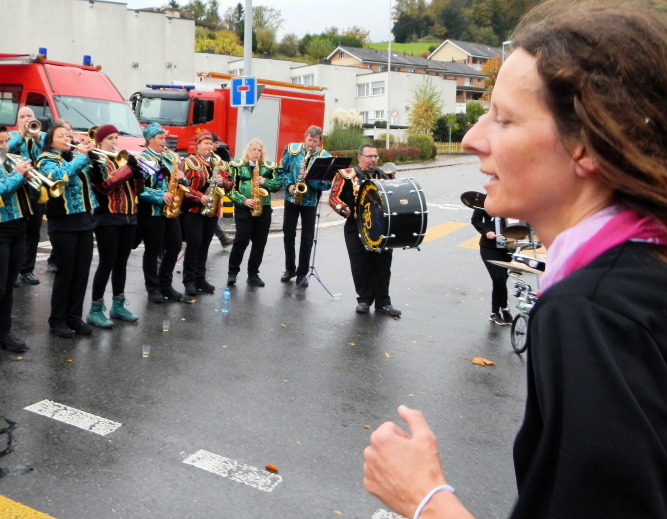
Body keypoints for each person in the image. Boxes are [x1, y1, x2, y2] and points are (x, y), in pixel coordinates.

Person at [363, 1, 667, 518]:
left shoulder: (590, 312)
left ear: (587, 144)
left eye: (503, 119)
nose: (471, 138)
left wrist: (424, 500)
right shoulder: (643, 274)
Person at [35, 123, 97, 338]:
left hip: (85, 220)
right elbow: (60, 176)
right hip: (63, 223)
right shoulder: (45, 159)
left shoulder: (75, 157)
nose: (66, 138)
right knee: (66, 273)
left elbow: (97, 178)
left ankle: (74, 317)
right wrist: (81, 157)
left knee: (81, 273)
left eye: (68, 135)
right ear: (50, 141)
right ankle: (57, 319)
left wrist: (93, 156)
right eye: (61, 136)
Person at [329, 144, 401, 317]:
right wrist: (343, 208)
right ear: (360, 157)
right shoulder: (346, 175)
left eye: (375, 156)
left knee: (383, 265)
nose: (373, 160)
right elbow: (333, 197)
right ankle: (364, 300)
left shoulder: (387, 175)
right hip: (356, 226)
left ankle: (383, 302)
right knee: (360, 264)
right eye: (369, 156)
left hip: (382, 227)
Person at [85, 124, 144, 328]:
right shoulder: (96, 161)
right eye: (109, 138)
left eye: (116, 137)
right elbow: (104, 186)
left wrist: (139, 173)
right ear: (99, 141)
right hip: (107, 218)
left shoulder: (123, 159)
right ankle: (95, 309)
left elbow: (138, 191)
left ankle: (118, 305)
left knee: (121, 264)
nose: (114, 142)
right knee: (106, 263)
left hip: (129, 217)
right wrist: (128, 169)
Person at [137, 122, 187, 304]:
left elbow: (176, 181)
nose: (165, 141)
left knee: (175, 246)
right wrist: (160, 196)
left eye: (164, 138)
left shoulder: (168, 158)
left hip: (170, 211)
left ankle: (166, 284)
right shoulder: (144, 159)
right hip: (152, 212)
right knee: (153, 250)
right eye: (161, 138)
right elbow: (139, 189)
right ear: (150, 139)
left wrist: (183, 178)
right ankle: (152, 288)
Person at [278, 125, 331, 287]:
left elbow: (327, 184)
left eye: (315, 141)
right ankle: (289, 269)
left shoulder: (324, 157)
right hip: (291, 198)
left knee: (307, 239)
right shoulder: (292, 150)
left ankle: (302, 274)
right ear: (305, 137)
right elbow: (281, 171)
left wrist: (311, 178)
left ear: (320, 142)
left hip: (310, 201)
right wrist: (289, 185)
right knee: (288, 234)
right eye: (309, 140)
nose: (311, 144)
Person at [225, 138, 281, 287]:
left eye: (259, 150)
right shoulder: (236, 166)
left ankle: (253, 274)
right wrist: (243, 200)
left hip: (263, 208)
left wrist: (265, 182)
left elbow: (277, 185)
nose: (256, 153)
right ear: (248, 151)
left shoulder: (268, 167)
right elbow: (230, 189)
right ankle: (232, 273)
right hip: (244, 209)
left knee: (260, 242)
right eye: (253, 150)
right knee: (241, 240)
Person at [0, 126, 34, 352]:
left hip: (18, 227)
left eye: (6, 141)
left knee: (9, 287)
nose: (5, 146)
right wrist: (18, 175)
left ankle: (4, 332)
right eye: (1, 143)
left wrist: (28, 179)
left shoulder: (8, 162)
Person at [180, 131, 226, 297]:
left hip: (212, 210)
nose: (209, 146)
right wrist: (199, 196)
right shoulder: (188, 162)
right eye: (205, 143)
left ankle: (200, 278)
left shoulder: (218, 162)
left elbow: (229, 182)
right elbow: (182, 186)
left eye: (211, 143)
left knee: (204, 246)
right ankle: (189, 281)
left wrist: (223, 181)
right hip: (193, 210)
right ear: (197, 145)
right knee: (194, 245)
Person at [8, 106, 45, 286]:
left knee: (33, 232)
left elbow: (50, 150)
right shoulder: (11, 137)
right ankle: (13, 271)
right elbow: (5, 150)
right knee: (18, 233)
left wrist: (37, 137)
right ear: (18, 120)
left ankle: (27, 269)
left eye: (29, 116)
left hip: (36, 190)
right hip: (17, 191)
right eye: (22, 116)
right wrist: (22, 134)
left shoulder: (40, 135)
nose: (26, 119)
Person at [471, 207, 513, 325]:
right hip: (489, 247)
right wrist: (486, 231)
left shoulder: (513, 200)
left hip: (509, 247)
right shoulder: (485, 201)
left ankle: (495, 312)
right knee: (498, 278)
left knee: (501, 280)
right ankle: (504, 307)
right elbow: (475, 220)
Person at [211, 133, 235, 249]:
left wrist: (223, 181)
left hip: (211, 196)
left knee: (212, 217)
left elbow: (228, 179)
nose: (217, 146)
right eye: (215, 143)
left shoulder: (217, 158)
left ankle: (222, 239)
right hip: (199, 198)